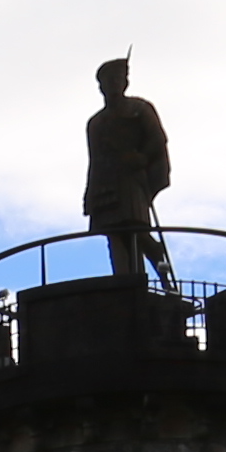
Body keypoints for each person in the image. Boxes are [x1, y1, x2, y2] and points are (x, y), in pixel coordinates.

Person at [81, 55, 173, 294]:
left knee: (137, 230)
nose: (113, 84)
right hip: (106, 182)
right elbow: (95, 160)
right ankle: (125, 285)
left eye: (118, 79)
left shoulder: (139, 108)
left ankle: (163, 277)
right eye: (108, 80)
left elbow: (157, 139)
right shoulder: (96, 123)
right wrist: (90, 193)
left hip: (131, 180)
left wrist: (141, 158)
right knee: (114, 235)